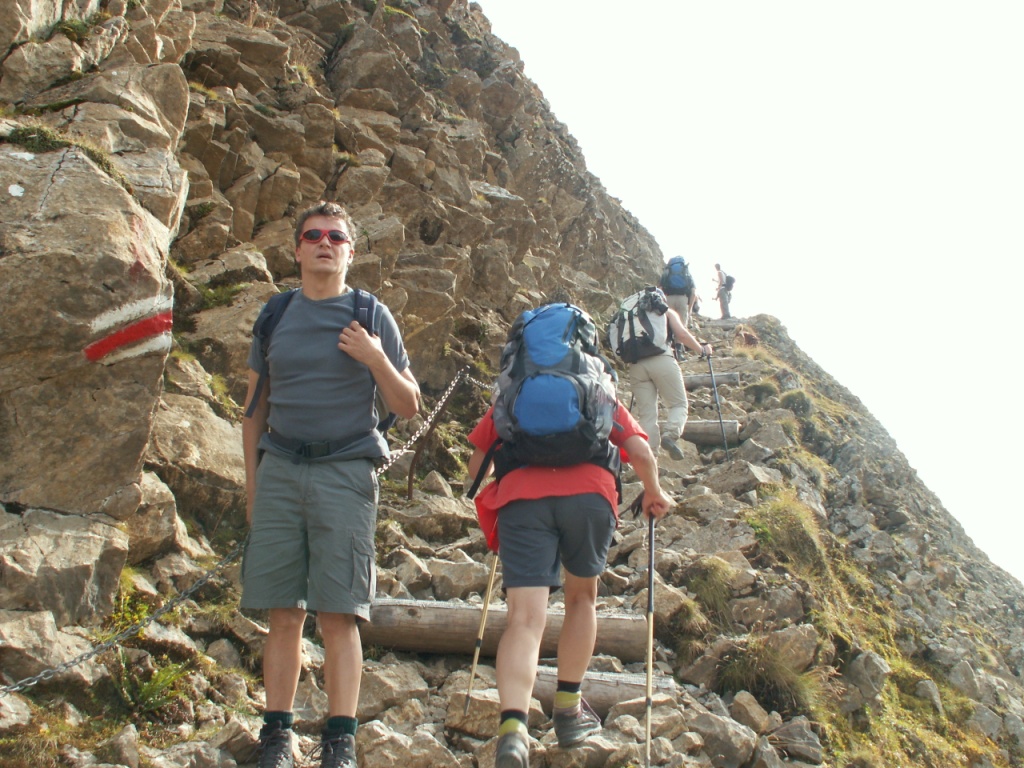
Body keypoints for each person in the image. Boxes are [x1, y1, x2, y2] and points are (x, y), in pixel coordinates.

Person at [241, 201, 420, 768]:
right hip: (280, 468)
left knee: (340, 612)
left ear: (350, 251)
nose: (325, 243)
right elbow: (254, 410)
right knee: (283, 611)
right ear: (297, 249)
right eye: (314, 235)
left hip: (346, 470)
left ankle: (340, 740)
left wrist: (375, 358)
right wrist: (253, 487)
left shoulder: (370, 314)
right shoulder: (274, 314)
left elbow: (408, 405)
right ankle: (277, 735)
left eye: (336, 237)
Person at [467, 350, 675, 768]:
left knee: (524, 619)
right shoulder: (598, 388)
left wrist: (503, 478)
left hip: (522, 499)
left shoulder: (515, 388)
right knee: (582, 599)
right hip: (590, 496)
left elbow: (477, 466)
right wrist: (654, 492)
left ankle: (513, 732)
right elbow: (640, 452)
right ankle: (567, 710)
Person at [624, 288, 712, 462]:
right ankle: (670, 435)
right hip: (662, 359)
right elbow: (682, 334)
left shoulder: (631, 317)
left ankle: (650, 461)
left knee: (647, 415)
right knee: (679, 404)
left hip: (636, 365)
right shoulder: (666, 311)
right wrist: (702, 350)